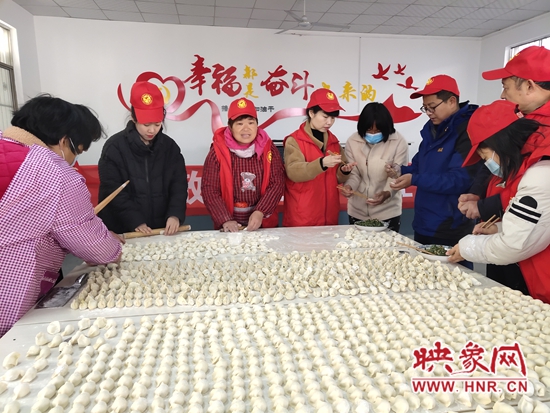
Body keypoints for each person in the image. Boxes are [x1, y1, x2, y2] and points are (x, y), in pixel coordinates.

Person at [0, 95, 122, 336]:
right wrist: (110, 244)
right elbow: (99, 251)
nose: (74, 160)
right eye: (77, 151)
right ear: (64, 141)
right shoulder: (54, 173)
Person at [457, 46, 550, 293]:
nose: (502, 94)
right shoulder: (529, 123)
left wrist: (470, 244)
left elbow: (532, 194)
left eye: (506, 87)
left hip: (535, 255)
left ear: (529, 86)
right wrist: (499, 224)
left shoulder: (542, 137)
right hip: (522, 238)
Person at [448, 100, 550, 303]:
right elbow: (539, 225)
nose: (488, 164)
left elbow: (515, 244)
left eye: (485, 156)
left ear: (500, 144)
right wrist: (499, 229)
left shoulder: (540, 175)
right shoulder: (531, 168)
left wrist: (467, 247)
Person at [387, 75, 480, 268]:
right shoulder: (432, 130)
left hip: (450, 224)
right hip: (425, 220)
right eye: (425, 108)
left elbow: (459, 180)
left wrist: (414, 179)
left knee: (455, 279)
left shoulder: (467, 131)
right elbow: (419, 166)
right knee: (422, 276)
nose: (428, 113)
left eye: (432, 107)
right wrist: (400, 170)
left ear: (452, 101)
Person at [98, 81, 188, 235]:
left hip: (161, 229)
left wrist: (175, 214)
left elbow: (178, 185)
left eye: (157, 124)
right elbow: (113, 190)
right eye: (146, 125)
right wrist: (135, 220)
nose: (152, 130)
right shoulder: (114, 148)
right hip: (124, 229)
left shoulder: (170, 147)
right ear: (133, 118)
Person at [201, 97, 285, 232]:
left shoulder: (269, 149)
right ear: (230, 127)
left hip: (262, 223)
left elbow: (277, 183)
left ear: (257, 125)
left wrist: (260, 211)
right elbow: (209, 189)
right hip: (230, 225)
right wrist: (225, 219)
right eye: (239, 124)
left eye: (251, 123)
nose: (246, 128)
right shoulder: (217, 152)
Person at [283, 88, 356, 227]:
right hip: (303, 216)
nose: (329, 122)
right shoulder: (295, 140)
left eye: (333, 118)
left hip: (329, 215)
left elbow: (338, 177)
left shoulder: (333, 141)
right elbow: (293, 172)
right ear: (311, 113)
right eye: (325, 116)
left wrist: (344, 171)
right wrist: (321, 164)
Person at [341, 102, 408, 232]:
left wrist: (387, 193)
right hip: (357, 211)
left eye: (377, 131)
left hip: (388, 211)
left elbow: (398, 175)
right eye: (368, 130)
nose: (372, 134)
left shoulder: (398, 142)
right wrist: (349, 186)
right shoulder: (352, 141)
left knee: (386, 245)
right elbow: (354, 173)